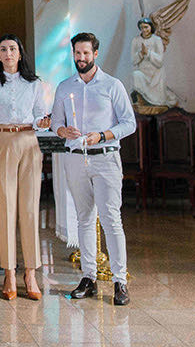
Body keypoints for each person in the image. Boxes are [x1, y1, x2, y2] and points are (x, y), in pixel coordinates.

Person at [52, 31, 136, 306]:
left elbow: (129, 123)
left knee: (111, 218)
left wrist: (102, 135)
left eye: (86, 53)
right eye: (77, 53)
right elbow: (55, 123)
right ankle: (88, 277)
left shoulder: (112, 85)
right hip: (76, 157)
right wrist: (62, 129)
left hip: (105, 157)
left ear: (95, 54)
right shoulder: (65, 87)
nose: (81, 58)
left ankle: (119, 280)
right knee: (84, 218)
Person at [0, 34, 51, 300]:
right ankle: (9, 272)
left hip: (29, 140)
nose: (8, 53)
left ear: (20, 54)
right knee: (5, 206)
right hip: (2, 139)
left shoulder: (33, 84)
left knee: (30, 208)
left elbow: (42, 115)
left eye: (13, 49)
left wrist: (43, 122)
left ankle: (30, 273)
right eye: (3, 49)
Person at [131, 17, 166, 107]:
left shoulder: (157, 40)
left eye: (146, 27)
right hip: (143, 72)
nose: (144, 30)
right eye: (142, 27)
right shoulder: (136, 40)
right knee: (136, 75)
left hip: (155, 74)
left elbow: (160, 61)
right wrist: (141, 54)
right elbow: (133, 61)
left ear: (151, 27)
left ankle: (156, 102)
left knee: (157, 95)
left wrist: (148, 53)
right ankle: (141, 100)